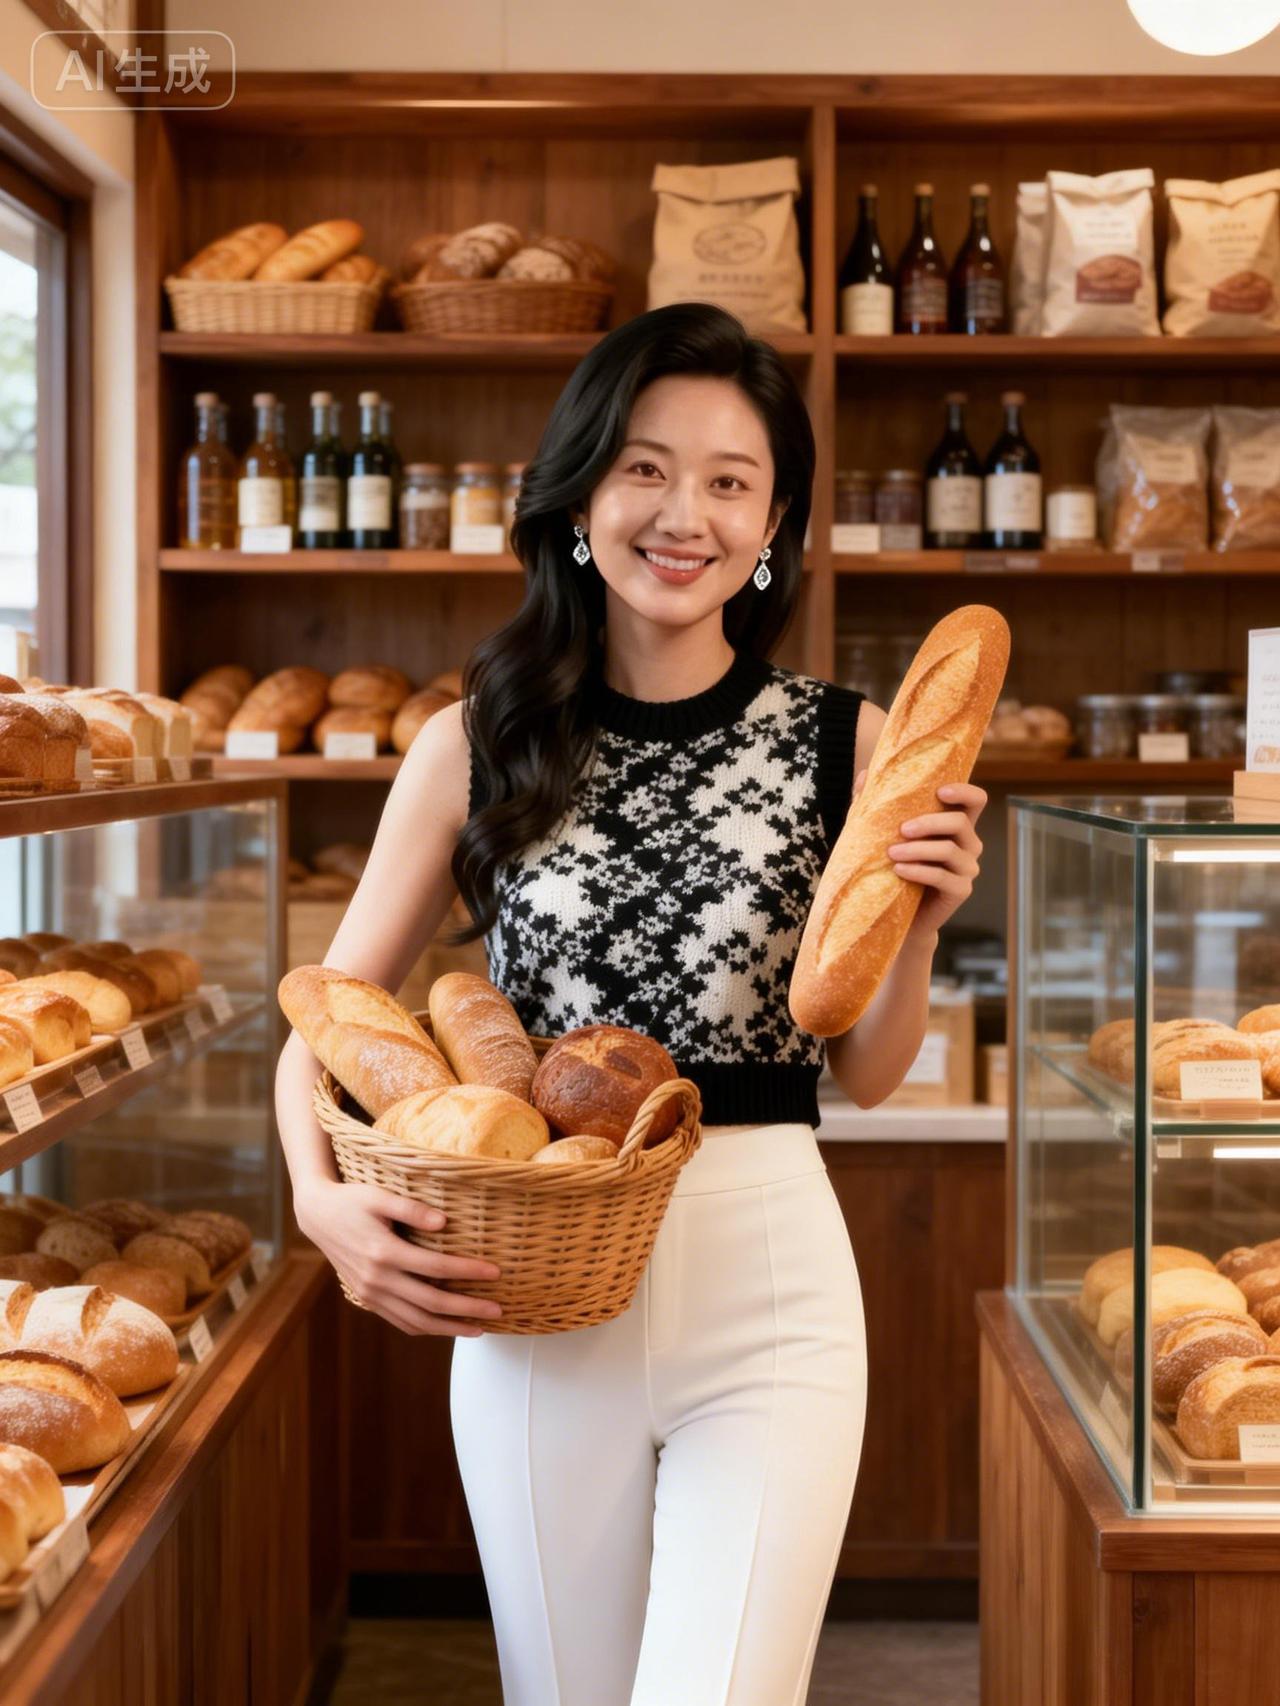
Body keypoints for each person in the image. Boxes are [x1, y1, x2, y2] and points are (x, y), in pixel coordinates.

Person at [274, 301, 989, 1706]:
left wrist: (922, 926)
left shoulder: (849, 742)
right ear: (579, 495)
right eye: (645, 469)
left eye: (731, 481)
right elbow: (325, 1022)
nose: (685, 514)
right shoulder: (473, 744)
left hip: (768, 1282)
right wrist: (318, 1204)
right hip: (535, 1293)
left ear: (773, 522)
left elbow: (867, 1074)